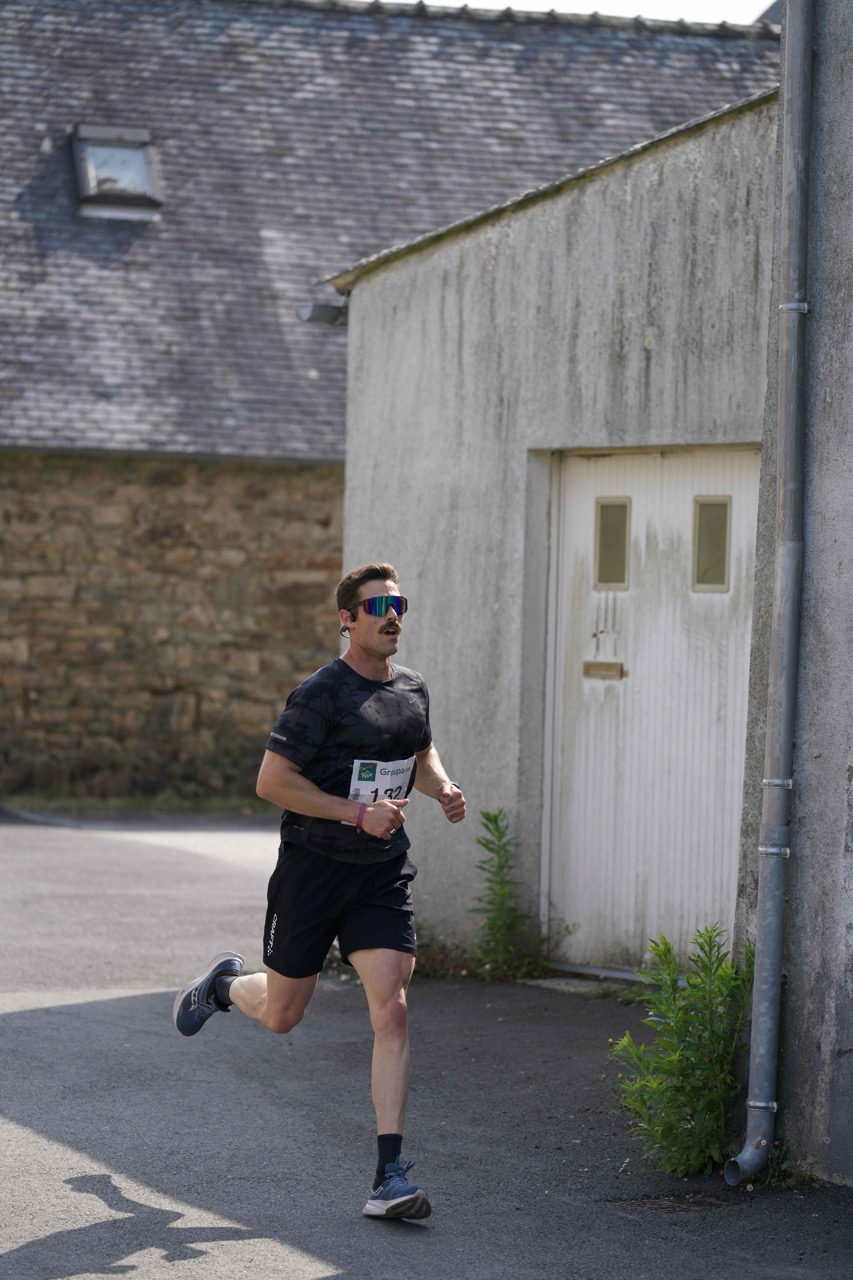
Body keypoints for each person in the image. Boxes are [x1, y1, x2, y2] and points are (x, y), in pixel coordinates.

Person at [172, 562, 466, 1221]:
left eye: (399, 606)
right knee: (282, 1015)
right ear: (347, 619)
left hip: (380, 873)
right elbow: (272, 782)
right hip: (313, 871)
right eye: (379, 607)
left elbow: (418, 752)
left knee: (392, 1011)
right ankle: (223, 986)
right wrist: (356, 813)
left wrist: (441, 787)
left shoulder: (412, 688)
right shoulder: (320, 694)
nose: (393, 617)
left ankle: (389, 1176)